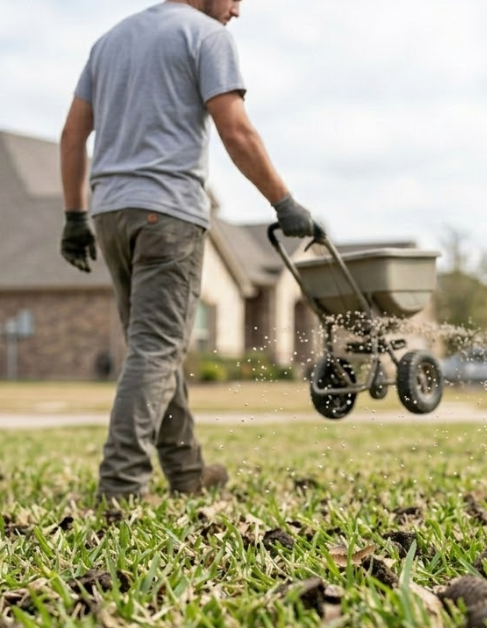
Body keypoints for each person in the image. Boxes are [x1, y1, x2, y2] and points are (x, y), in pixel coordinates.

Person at [59, 0, 317, 502]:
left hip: (111, 214)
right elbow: (236, 128)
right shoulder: (205, 36)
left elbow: (73, 135)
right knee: (158, 348)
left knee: (155, 346)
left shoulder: (111, 40)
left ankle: (185, 470)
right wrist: (283, 202)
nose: (238, 11)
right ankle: (121, 484)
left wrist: (74, 217)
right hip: (167, 213)